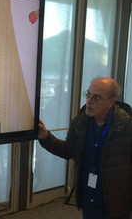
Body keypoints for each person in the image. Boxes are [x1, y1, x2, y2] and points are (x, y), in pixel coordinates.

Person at [38, 77, 132, 219]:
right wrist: (46, 137)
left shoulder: (126, 127)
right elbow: (68, 150)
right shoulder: (80, 122)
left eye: (97, 97)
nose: (89, 100)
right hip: (88, 199)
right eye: (88, 94)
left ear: (111, 101)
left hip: (116, 203)